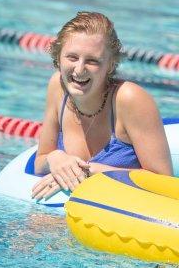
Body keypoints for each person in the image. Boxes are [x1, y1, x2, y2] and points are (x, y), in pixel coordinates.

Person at [31, 11, 172, 200]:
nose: (79, 69)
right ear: (58, 57)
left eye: (92, 61)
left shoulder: (130, 100)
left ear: (111, 65)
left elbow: (164, 183)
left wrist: (92, 171)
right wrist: (56, 158)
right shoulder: (58, 87)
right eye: (72, 57)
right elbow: (40, 161)